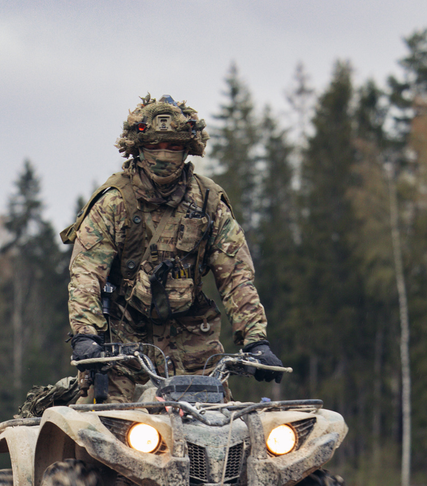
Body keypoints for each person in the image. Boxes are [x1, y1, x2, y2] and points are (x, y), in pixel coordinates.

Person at [61, 93, 283, 400]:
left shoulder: (208, 203)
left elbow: (236, 277)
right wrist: (86, 335)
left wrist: (255, 341)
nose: (163, 155)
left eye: (173, 147)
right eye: (154, 146)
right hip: (122, 342)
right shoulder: (113, 202)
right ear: (137, 148)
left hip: (193, 342)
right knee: (105, 420)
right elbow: (86, 275)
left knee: (217, 420)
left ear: (188, 149)